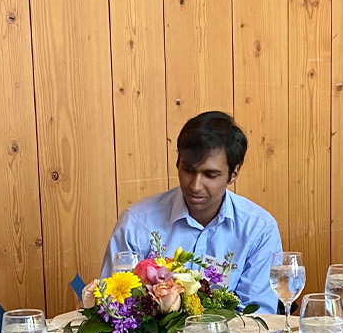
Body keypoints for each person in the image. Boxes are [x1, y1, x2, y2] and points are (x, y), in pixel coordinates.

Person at [102, 111, 280, 312]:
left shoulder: (259, 229)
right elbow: (113, 306)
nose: (195, 186)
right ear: (178, 163)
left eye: (210, 175)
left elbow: (258, 316)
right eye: (188, 170)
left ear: (234, 173)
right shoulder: (136, 223)